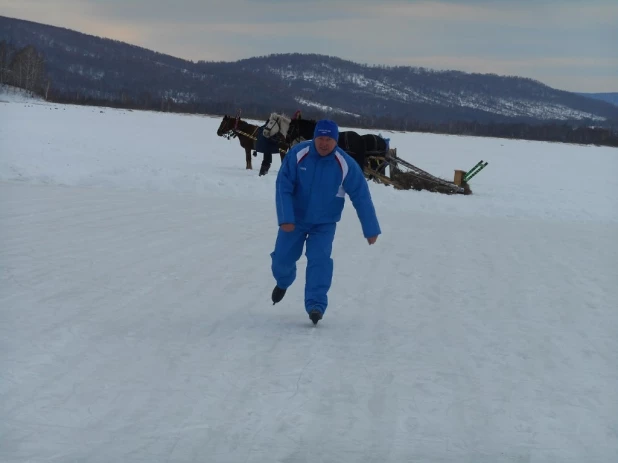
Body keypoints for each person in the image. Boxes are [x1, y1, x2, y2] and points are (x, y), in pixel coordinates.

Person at [269, 119, 381, 325]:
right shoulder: (298, 154)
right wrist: (285, 217)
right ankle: (283, 281)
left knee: (320, 261)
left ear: (335, 141)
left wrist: (370, 228)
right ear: (314, 138)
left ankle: (316, 305)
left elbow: (361, 196)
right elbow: (282, 186)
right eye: (320, 138)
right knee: (282, 260)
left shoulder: (344, 163)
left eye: (328, 139)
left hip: (324, 224)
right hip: (294, 220)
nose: (324, 143)